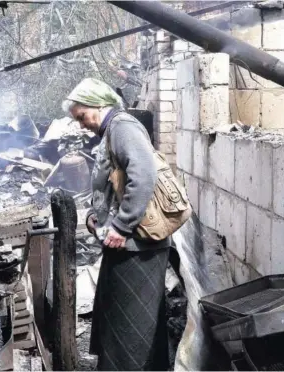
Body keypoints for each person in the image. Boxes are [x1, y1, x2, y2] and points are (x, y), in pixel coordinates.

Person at [62, 78, 171, 371]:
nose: (82, 124)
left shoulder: (123, 127)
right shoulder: (112, 130)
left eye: (82, 116)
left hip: (139, 246)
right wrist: (98, 216)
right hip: (131, 244)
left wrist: (122, 226)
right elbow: (115, 182)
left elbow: (144, 174)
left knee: (130, 322)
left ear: (98, 105)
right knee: (125, 318)